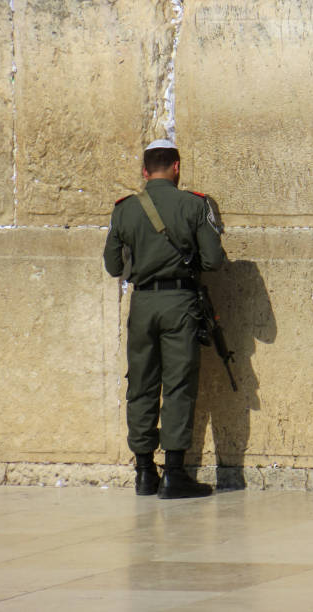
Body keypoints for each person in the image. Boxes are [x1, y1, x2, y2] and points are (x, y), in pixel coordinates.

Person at [103, 139, 225, 498]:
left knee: (140, 383)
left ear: (144, 171)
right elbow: (213, 260)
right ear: (176, 167)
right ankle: (174, 473)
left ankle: (144, 472)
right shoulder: (194, 205)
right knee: (178, 385)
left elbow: (112, 266)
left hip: (142, 304)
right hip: (180, 303)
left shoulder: (123, 210)